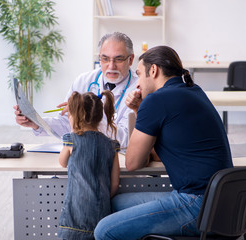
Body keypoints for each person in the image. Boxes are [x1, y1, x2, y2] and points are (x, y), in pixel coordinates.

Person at [94, 46, 233, 240]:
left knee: (104, 230)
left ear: (154, 71)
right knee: (114, 204)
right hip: (222, 202)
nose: (138, 84)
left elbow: (133, 163)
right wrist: (139, 109)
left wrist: (141, 108)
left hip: (196, 204)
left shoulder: (157, 100)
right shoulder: (193, 90)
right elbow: (163, 151)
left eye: (139, 74)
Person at [14, 32, 137, 148]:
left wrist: (83, 116)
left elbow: (128, 137)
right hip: (84, 152)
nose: (111, 66)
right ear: (99, 58)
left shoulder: (138, 89)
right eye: (105, 59)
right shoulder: (84, 81)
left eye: (118, 59)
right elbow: (66, 123)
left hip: (119, 157)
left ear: (130, 60)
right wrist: (36, 123)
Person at [58, 90, 120, 240]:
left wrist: (73, 130)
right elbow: (114, 185)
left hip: (74, 218)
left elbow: (62, 162)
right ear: (99, 117)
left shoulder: (71, 140)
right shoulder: (112, 145)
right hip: (101, 216)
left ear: (74, 116)